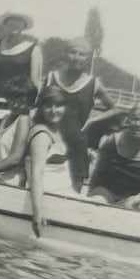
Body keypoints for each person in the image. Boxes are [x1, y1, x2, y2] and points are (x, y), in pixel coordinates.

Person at [44, 37, 121, 193]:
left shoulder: (93, 83)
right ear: (65, 54)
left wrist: (93, 120)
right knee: (42, 181)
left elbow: (115, 109)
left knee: (73, 189)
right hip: (49, 138)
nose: (76, 58)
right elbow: (38, 106)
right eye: (73, 52)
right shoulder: (52, 77)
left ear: (87, 59)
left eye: (82, 54)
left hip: (76, 143)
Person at [0, 12, 43, 158]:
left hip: (16, 106)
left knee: (6, 147)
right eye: (11, 22)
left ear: (24, 26)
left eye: (19, 22)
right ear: (5, 24)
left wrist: (32, 109)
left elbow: (35, 83)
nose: (15, 25)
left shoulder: (33, 49)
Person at [87, 105, 140, 206]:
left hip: (137, 197)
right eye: (134, 119)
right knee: (97, 201)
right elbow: (98, 171)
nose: (137, 124)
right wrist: (91, 192)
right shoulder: (112, 141)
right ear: (128, 120)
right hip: (106, 192)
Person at [24, 86, 70, 237]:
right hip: (50, 198)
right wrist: (37, 213)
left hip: (62, 195)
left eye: (59, 105)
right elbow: (36, 173)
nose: (53, 110)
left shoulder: (55, 130)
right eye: (48, 105)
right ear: (41, 108)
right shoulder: (42, 134)